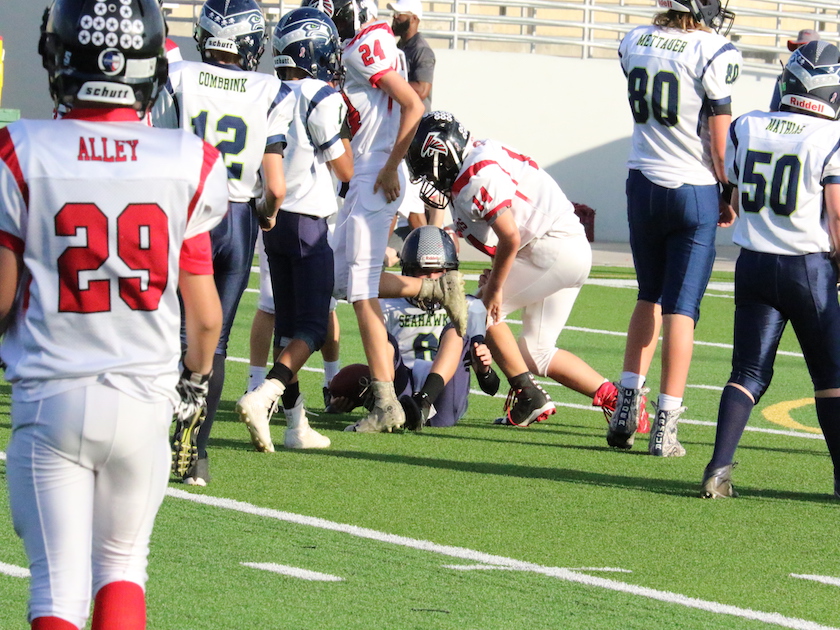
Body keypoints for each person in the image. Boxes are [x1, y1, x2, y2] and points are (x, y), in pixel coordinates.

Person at [1, 0, 228, 627]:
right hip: (144, 402)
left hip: (53, 397)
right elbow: (204, 316)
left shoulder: (21, 150)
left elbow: (0, 296)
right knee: (124, 567)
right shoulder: (188, 160)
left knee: (55, 591)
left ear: (60, 58)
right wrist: (194, 387)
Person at [405, 111, 636, 429]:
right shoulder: (476, 157)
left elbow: (510, 237)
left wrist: (495, 289)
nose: (430, 181)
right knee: (535, 352)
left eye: (429, 171)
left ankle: (529, 397)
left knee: (476, 311)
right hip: (562, 248)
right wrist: (495, 276)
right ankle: (618, 400)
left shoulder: (475, 176)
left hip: (549, 249)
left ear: (442, 155)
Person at [305, 0, 465, 435]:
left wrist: (392, 165)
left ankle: (386, 402)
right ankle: (432, 290)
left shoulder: (364, 45)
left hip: (376, 176)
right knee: (337, 281)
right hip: (370, 175)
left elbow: (413, 104)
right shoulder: (372, 41)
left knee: (359, 291)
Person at [153, 0, 293, 483]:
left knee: (166, 332)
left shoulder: (181, 76)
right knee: (213, 341)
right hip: (236, 218)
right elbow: (275, 185)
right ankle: (197, 455)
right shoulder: (271, 90)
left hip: (186, 209)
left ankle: (152, 438)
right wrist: (268, 215)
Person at [702, 42, 840, 499]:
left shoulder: (747, 125)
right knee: (831, 377)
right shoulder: (829, 139)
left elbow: (737, 197)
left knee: (747, 373)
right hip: (809, 270)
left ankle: (718, 468)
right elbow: (837, 215)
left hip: (755, 264)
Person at [610, 0, 742, 456]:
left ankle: (626, 411)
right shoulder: (713, 49)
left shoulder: (635, 40)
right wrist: (730, 191)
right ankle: (664, 426)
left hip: (642, 181)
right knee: (682, 309)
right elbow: (721, 146)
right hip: (693, 187)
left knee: (648, 295)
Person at [235, 7, 353, 452]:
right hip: (308, 224)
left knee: (287, 328)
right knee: (313, 329)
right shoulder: (320, 93)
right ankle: (265, 394)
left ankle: (295, 424)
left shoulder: (267, 89)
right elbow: (344, 167)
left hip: (271, 217)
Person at [329, 226, 500, 429]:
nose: (432, 279)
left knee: (455, 331)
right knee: (384, 339)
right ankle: (384, 403)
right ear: (408, 272)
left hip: (443, 399)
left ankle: (423, 402)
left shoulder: (471, 306)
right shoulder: (387, 305)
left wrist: (485, 370)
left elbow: (491, 387)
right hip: (403, 390)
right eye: (423, 272)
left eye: (439, 272)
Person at [387, 0, 434, 112]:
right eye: (394, 13)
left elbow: (422, 90)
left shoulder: (422, 50)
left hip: (416, 124)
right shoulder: (398, 46)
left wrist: (387, 85)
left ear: (414, 18)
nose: (395, 17)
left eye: (399, 14)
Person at [769, 28, 820, 111]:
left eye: (807, 48)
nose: (802, 52)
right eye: (800, 47)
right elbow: (773, 111)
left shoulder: (829, 80)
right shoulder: (783, 78)